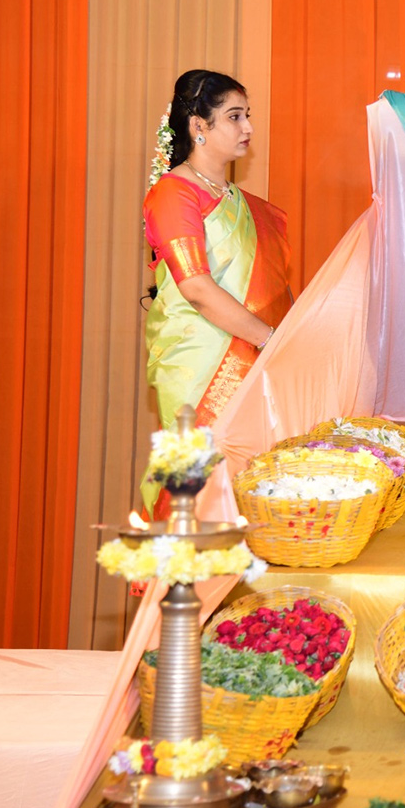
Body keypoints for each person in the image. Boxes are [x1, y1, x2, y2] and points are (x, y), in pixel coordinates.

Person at [142, 70, 293, 514]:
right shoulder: (174, 196)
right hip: (201, 367)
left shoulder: (243, 204)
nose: (248, 127)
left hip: (258, 360)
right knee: (202, 490)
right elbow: (196, 288)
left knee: (254, 491)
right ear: (199, 126)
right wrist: (269, 340)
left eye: (247, 115)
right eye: (234, 116)